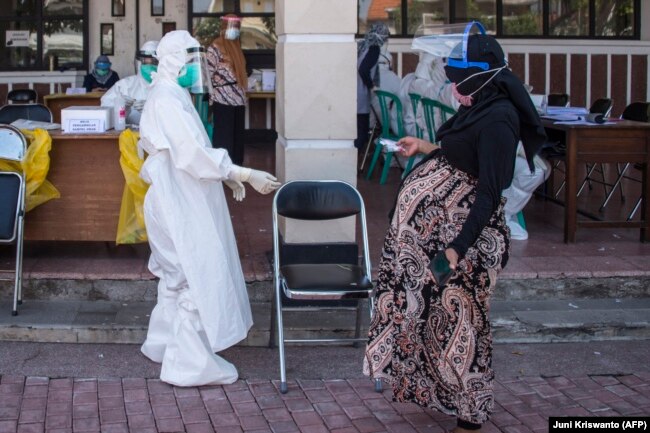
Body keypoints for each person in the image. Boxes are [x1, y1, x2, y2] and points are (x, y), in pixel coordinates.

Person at [364, 24, 546, 432]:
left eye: (458, 80)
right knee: (432, 319)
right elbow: (463, 150)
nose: (454, 90)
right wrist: (425, 147)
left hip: (465, 243)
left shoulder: (500, 119)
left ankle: (471, 414)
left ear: (482, 75)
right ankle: (443, 394)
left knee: (464, 322)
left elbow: (488, 193)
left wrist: (455, 248)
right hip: (439, 237)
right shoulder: (479, 104)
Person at [137, 30, 280, 387]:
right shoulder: (168, 99)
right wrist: (242, 172)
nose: (196, 68)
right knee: (196, 274)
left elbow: (192, 151)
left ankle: (163, 343)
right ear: (172, 62)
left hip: (176, 195)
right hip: (178, 200)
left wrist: (224, 176)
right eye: (190, 61)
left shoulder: (171, 93)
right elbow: (192, 155)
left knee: (176, 277)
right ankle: (188, 365)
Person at [206, 15, 248, 165]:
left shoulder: (236, 48)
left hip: (239, 100)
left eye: (237, 27)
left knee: (237, 140)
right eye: (232, 27)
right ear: (224, 28)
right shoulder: (215, 48)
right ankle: (223, 171)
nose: (235, 31)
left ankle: (237, 170)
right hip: (222, 100)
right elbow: (207, 75)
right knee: (224, 139)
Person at [101, 40, 159, 126]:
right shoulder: (125, 86)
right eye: (145, 62)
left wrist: (154, 111)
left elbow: (177, 118)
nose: (149, 66)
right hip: (129, 136)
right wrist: (120, 109)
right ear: (139, 63)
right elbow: (104, 112)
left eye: (154, 62)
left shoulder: (170, 87)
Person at [356, 22, 390, 149]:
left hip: (352, 94)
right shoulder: (374, 48)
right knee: (361, 134)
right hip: (361, 95)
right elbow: (363, 69)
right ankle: (355, 165)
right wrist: (371, 85)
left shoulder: (363, 45)